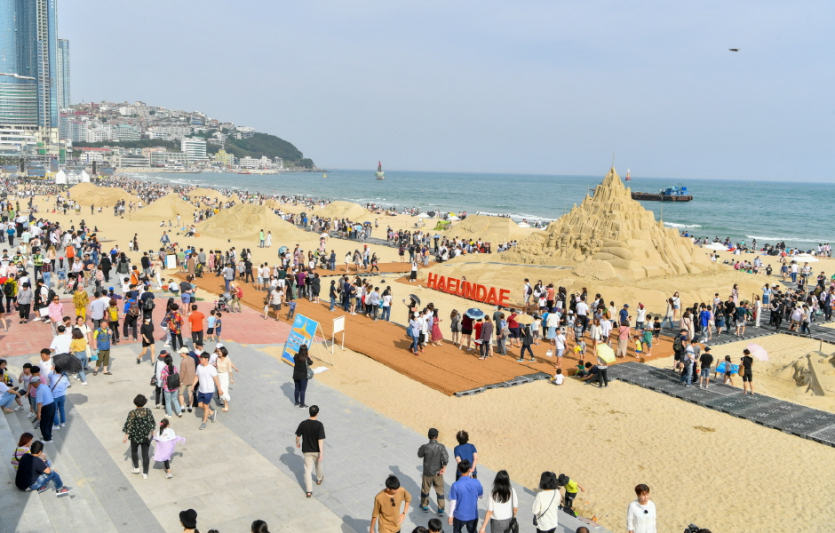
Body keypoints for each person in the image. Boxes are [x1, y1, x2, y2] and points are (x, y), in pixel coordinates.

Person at [122, 394, 155, 479]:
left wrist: (125, 436)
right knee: (145, 455)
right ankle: (145, 473)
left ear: (135, 402)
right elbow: (151, 422)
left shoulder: (132, 413)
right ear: (144, 402)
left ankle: (136, 468)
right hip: (145, 436)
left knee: (134, 451)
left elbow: (129, 425)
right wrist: (152, 432)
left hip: (135, 436)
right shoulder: (148, 411)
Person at [295, 404, 325, 498]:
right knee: (318, 465)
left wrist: (297, 443)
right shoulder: (319, 425)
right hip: (316, 450)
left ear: (309, 412)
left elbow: (298, 435)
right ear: (317, 413)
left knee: (308, 471)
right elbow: (320, 440)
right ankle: (319, 479)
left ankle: (309, 491)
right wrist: (321, 453)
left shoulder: (303, 423)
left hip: (307, 450)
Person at [418, 427, 448, 515]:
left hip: (427, 472)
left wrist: (422, 448)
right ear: (437, 437)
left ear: (428, 436)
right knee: (440, 490)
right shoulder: (441, 447)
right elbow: (445, 459)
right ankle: (441, 509)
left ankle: (424, 506)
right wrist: (443, 468)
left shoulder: (425, 447)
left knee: (425, 490)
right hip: (438, 473)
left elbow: (419, 454)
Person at [447, 459, 482, 532]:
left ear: (459, 469)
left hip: (459, 515)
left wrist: (450, 515)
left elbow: (453, 502)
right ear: (469, 469)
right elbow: (480, 496)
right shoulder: (477, 482)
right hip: (473, 515)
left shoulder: (455, 485)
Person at [193, 352, 221, 430]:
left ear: (206, 359)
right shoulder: (199, 367)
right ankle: (212, 412)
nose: (200, 359)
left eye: (202, 358)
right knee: (199, 405)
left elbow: (216, 380)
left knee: (206, 406)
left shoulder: (211, 368)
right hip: (201, 390)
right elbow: (196, 377)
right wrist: (193, 385)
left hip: (209, 390)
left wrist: (219, 389)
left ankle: (204, 422)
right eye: (200, 358)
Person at [31, 367, 55, 442]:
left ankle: (47, 439)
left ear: (34, 383)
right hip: (52, 405)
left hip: (46, 408)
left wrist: (38, 413)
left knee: (43, 424)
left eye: (32, 384)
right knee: (49, 422)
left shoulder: (39, 390)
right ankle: (49, 435)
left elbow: (39, 403)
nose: (32, 385)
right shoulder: (45, 386)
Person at [216, 345, 239, 411]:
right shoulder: (217, 359)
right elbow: (216, 366)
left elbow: (229, 370)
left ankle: (226, 405)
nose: (219, 352)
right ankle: (225, 404)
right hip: (218, 375)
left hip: (224, 376)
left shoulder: (227, 359)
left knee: (224, 390)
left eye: (220, 351)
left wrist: (231, 378)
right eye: (218, 351)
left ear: (223, 352)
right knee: (220, 390)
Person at [293, 344, 313, 408]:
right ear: (306, 350)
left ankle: (296, 402)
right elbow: (311, 362)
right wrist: (309, 356)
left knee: (296, 389)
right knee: (302, 390)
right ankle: (302, 404)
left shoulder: (296, 356)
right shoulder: (306, 358)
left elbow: (294, 360)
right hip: (303, 377)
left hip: (296, 375)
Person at [178, 346, 197, 414]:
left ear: (183, 353)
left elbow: (182, 372)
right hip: (191, 379)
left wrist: (180, 381)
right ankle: (190, 406)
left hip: (184, 380)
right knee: (190, 394)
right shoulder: (192, 359)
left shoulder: (183, 361)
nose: (180, 354)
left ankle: (182, 407)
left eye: (180, 353)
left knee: (180, 394)